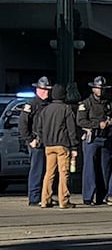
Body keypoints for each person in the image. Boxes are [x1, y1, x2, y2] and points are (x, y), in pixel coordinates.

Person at [35, 84, 81, 208]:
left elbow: (38, 128)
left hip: (48, 146)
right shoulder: (66, 109)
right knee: (64, 173)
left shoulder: (45, 110)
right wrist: (74, 147)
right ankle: (64, 201)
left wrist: (44, 140)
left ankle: (45, 200)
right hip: (63, 145)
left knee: (49, 173)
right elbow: (71, 129)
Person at [77, 75, 112, 206]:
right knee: (90, 169)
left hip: (105, 137)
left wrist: (111, 121)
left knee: (105, 168)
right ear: (93, 88)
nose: (100, 91)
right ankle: (88, 197)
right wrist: (97, 124)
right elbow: (81, 121)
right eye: (98, 88)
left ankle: (102, 197)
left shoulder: (109, 102)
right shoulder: (85, 104)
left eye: (102, 88)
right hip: (92, 138)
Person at [17, 77, 50, 207]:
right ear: (38, 90)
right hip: (36, 142)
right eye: (45, 90)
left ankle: (45, 196)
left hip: (48, 142)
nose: (47, 92)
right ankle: (34, 197)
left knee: (48, 171)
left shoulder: (48, 104)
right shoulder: (31, 104)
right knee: (37, 170)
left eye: (48, 90)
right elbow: (23, 124)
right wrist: (30, 140)